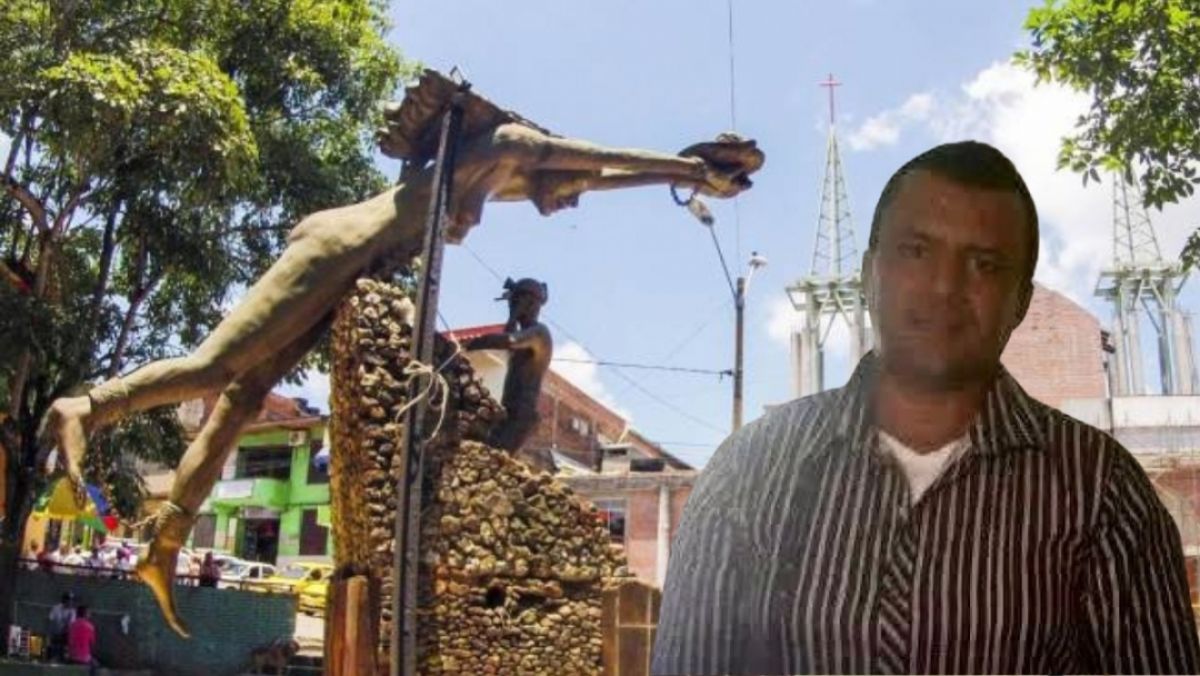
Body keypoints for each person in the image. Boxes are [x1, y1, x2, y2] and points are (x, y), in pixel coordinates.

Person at [36, 70, 763, 638]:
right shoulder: (504, 146)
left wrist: (680, 173)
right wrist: (685, 168)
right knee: (219, 367)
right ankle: (86, 407)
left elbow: (587, 177)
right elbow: (581, 157)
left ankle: (164, 544)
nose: (571, 201)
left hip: (357, 265)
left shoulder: (493, 178)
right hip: (336, 247)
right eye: (567, 189)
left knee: (243, 398)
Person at [652, 141, 1200, 674]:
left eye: (985, 264)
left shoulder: (1101, 491)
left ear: (1020, 302)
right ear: (869, 274)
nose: (944, 287)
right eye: (916, 251)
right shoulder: (749, 472)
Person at [463, 277, 556, 472]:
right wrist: (512, 318)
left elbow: (510, 340)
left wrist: (476, 342)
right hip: (509, 411)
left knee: (491, 462)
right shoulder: (527, 333)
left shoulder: (539, 333)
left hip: (521, 414)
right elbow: (509, 336)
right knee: (485, 455)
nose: (512, 307)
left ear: (529, 303)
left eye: (515, 303)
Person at [67, 605, 98, 676]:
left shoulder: (72, 625)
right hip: (84, 657)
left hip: (72, 656)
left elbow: (69, 641)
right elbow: (92, 644)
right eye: (89, 613)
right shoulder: (90, 627)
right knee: (95, 665)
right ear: (85, 614)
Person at [47, 592, 75, 661]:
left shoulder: (72, 611)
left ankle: (63, 658)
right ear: (64, 600)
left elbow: (71, 625)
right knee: (52, 646)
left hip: (65, 634)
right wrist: (51, 632)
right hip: (55, 632)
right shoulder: (56, 608)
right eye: (69, 600)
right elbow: (50, 620)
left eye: (72, 600)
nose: (70, 602)